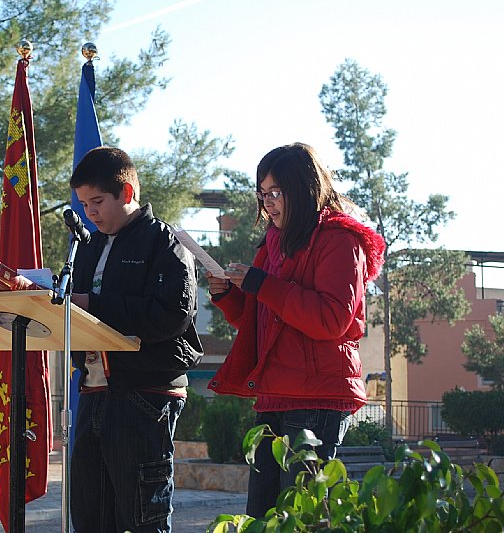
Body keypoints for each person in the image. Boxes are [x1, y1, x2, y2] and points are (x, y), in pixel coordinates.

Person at [205, 142, 385, 517]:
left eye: (275, 192)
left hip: (318, 397)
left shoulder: (340, 240)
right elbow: (262, 323)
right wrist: (229, 298)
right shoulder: (272, 244)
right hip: (274, 394)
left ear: (304, 189)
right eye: (262, 193)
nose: (267, 203)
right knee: (262, 516)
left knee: (301, 516)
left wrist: (262, 285)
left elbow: (330, 320)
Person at [68, 146, 203, 533]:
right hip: (93, 393)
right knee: (92, 516)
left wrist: (92, 303)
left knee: (143, 518)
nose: (90, 212)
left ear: (127, 194)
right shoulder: (87, 247)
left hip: (144, 394)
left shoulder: (164, 243)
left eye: (97, 201)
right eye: (83, 204)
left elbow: (170, 315)